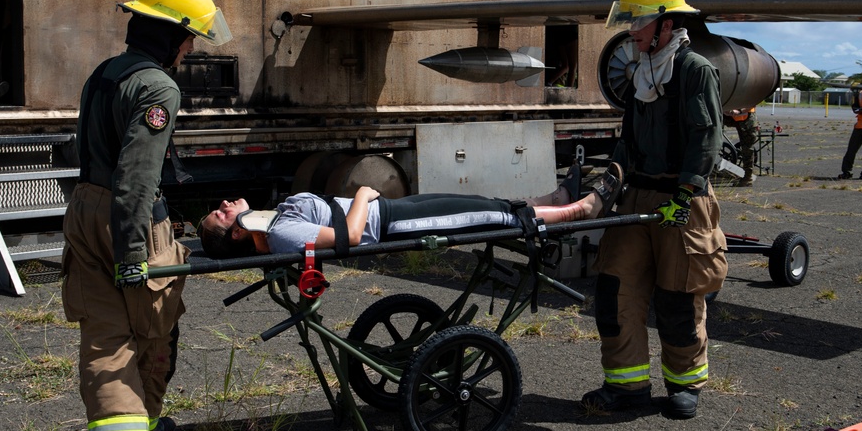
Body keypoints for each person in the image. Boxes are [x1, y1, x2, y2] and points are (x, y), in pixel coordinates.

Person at [61, 0, 232, 431]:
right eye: (190, 38)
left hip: (85, 208)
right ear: (172, 36)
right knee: (153, 324)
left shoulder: (104, 73)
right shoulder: (158, 86)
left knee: (105, 329)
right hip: (128, 216)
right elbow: (136, 177)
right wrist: (134, 251)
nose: (191, 48)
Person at [582, 0, 728, 420]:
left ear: (666, 25)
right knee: (614, 289)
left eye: (639, 21)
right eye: (629, 21)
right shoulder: (641, 72)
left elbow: (706, 138)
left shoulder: (693, 70)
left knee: (679, 297)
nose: (631, 30)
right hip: (637, 196)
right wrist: (605, 187)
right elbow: (627, 141)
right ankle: (627, 387)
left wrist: (684, 196)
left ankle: (684, 385)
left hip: (681, 200)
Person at [197, 163, 621, 259]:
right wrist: (362, 196)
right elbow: (350, 240)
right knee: (494, 218)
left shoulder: (272, 224)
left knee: (483, 205)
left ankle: (553, 198)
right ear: (236, 233)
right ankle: (579, 211)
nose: (223, 205)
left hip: (397, 210)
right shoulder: (279, 237)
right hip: (395, 223)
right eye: (220, 215)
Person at [724, 106, 757, 186]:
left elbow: (753, 102)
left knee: (747, 149)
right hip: (734, 117)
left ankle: (748, 177)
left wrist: (739, 111)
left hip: (747, 118)